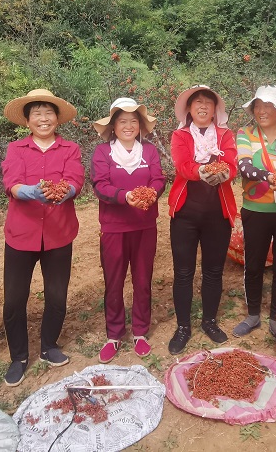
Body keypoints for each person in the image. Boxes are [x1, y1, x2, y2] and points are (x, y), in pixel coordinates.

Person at [0, 89, 84, 387]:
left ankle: (49, 345)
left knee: (57, 296)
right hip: (21, 233)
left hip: (59, 232)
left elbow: (75, 180)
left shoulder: (70, 149)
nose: (43, 118)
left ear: (57, 119)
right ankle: (19, 356)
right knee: (14, 300)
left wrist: (66, 192)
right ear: (27, 121)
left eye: (48, 113)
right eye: (36, 113)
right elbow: (11, 182)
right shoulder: (16, 149)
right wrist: (28, 191)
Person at [91, 97, 166, 363]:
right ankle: (114, 334)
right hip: (114, 227)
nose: (128, 126)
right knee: (114, 280)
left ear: (140, 126)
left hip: (144, 225)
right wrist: (125, 196)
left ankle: (141, 332)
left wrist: (149, 194)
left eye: (133, 121)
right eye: (122, 121)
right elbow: (99, 185)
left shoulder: (149, 152)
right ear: (113, 125)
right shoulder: (103, 152)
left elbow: (159, 179)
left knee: (143, 279)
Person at [166, 85, 238, 355]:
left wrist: (224, 174)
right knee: (183, 272)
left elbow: (231, 163)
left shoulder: (226, 135)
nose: (203, 107)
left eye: (208, 102)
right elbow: (182, 164)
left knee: (213, 271)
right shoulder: (180, 135)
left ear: (215, 109)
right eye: (197, 103)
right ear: (189, 109)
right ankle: (183, 326)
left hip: (217, 214)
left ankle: (209, 321)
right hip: (186, 213)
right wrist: (202, 171)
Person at [232, 86, 276, 339]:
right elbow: (244, 166)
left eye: (269, 106)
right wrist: (274, 177)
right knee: (253, 265)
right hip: (256, 210)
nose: (262, 111)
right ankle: (253, 314)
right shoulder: (245, 134)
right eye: (258, 106)